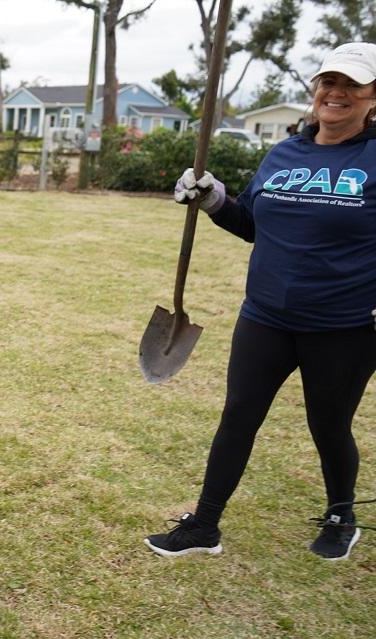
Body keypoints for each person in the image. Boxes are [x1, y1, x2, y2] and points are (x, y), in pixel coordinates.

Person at [146, 42, 376, 561]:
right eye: (328, 82)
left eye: (352, 85)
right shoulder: (285, 153)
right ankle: (204, 525)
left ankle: (342, 511)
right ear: (315, 90)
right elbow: (251, 223)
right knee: (238, 416)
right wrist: (214, 199)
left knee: (329, 422)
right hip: (266, 315)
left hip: (344, 326)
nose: (336, 93)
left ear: (372, 97)